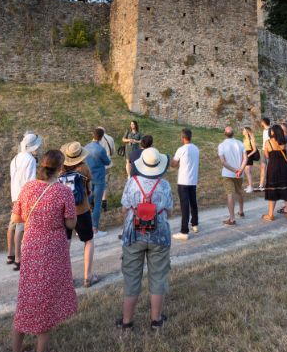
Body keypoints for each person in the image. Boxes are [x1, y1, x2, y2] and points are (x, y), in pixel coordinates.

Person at [9, 150, 77, 352]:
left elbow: (17, 217)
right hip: (52, 250)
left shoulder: (27, 188)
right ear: (59, 169)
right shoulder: (63, 192)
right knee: (45, 303)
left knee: (26, 300)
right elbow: (70, 224)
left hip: (30, 247)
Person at [117, 147, 173, 331]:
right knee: (158, 277)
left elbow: (124, 209)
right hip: (159, 235)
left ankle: (127, 321)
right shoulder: (165, 185)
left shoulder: (132, 183)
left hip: (133, 234)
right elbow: (170, 212)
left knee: (132, 278)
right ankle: (156, 320)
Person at [60, 141, 98, 288]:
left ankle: (66, 279)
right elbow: (88, 187)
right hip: (81, 210)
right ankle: (87, 277)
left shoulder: (60, 170)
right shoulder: (84, 168)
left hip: (64, 212)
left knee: (66, 244)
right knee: (88, 240)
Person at [7, 132, 42, 271]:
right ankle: (18, 259)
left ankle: (10, 255)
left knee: (12, 224)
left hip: (14, 194)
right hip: (25, 195)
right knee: (20, 227)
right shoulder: (30, 159)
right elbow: (31, 181)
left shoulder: (15, 158)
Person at [262, 124, 287, 221]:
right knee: (286, 189)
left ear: (272, 132)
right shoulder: (285, 142)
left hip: (273, 167)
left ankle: (270, 215)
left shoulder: (268, 142)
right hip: (285, 167)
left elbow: (267, 156)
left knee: (272, 190)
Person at [172, 128, 200, 241]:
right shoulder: (196, 149)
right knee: (193, 202)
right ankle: (195, 224)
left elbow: (174, 163)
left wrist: (172, 162)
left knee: (184, 206)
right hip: (193, 180)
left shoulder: (181, 149)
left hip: (183, 180)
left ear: (182, 138)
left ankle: (184, 231)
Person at [218, 126, 247, 226]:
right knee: (239, 191)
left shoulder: (221, 145)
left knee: (230, 194)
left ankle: (232, 218)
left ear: (224, 134)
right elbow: (245, 159)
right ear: (233, 133)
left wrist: (234, 170)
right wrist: (240, 169)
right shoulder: (240, 143)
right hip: (239, 173)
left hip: (228, 173)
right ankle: (241, 211)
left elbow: (223, 162)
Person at [85, 128, 110, 238]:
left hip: (88, 177)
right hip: (99, 178)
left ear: (93, 135)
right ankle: (94, 228)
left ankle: (84, 226)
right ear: (101, 137)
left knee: (88, 201)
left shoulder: (85, 147)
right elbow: (107, 162)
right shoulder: (100, 149)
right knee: (98, 203)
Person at [96, 126, 115, 212]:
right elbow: (113, 151)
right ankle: (104, 203)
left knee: (96, 183)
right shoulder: (110, 138)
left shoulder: (97, 139)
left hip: (98, 164)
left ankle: (95, 203)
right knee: (105, 183)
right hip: (107, 164)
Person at [242, 126, 258, 194]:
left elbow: (254, 150)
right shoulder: (244, 139)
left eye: (244, 130)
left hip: (249, 155)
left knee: (248, 171)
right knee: (247, 171)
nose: (242, 131)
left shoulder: (251, 139)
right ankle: (249, 185)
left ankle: (251, 187)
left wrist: (248, 155)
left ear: (247, 132)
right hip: (245, 155)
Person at [257, 117, 270, 191]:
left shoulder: (270, 130)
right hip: (263, 150)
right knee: (263, 167)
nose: (260, 123)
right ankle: (261, 185)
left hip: (269, 151)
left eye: (261, 122)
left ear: (264, 122)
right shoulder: (264, 130)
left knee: (269, 168)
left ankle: (269, 184)